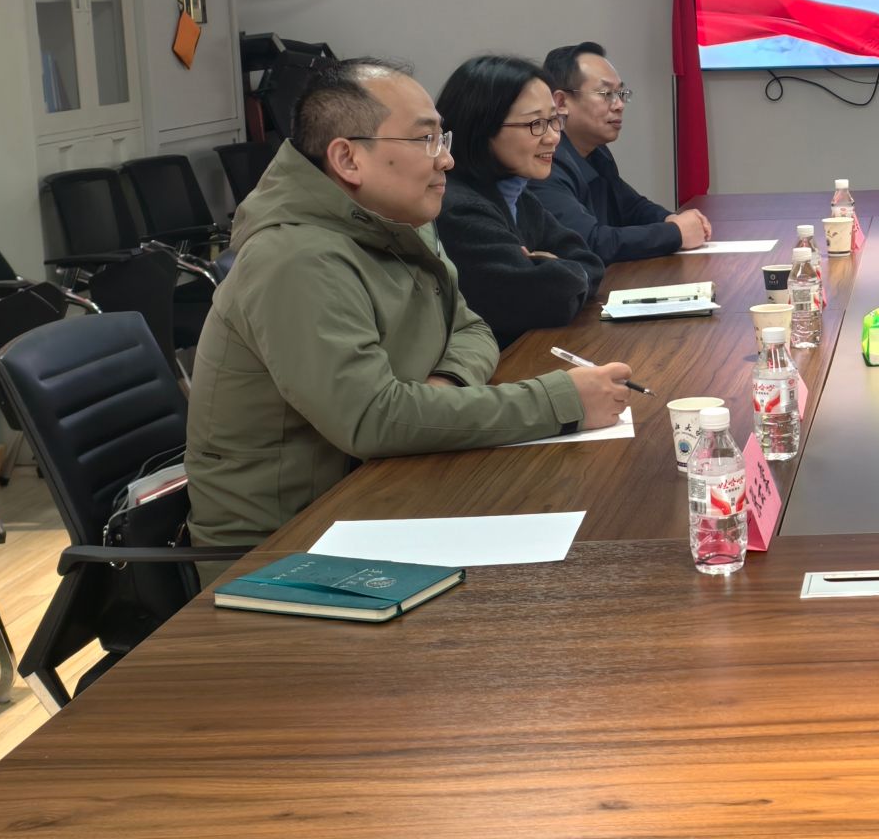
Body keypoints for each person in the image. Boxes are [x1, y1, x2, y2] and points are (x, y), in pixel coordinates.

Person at [185, 59, 632, 569]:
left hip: (379, 496)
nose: (447, 160)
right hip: (283, 549)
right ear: (348, 159)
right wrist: (559, 401)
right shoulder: (295, 259)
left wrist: (442, 387)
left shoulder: (399, 219)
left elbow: (471, 327)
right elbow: (374, 419)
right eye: (426, 140)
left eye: (443, 138)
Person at [435, 54, 607, 348]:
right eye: (535, 123)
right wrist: (562, 271)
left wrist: (557, 269)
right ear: (482, 127)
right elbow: (547, 299)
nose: (553, 137)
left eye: (553, 120)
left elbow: (590, 261)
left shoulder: (517, 195)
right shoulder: (459, 209)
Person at [530, 41, 711, 261]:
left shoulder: (597, 152)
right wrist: (675, 233)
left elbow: (631, 207)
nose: (619, 105)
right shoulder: (545, 162)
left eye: (621, 93)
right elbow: (588, 243)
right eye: (606, 93)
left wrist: (672, 219)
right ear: (561, 102)